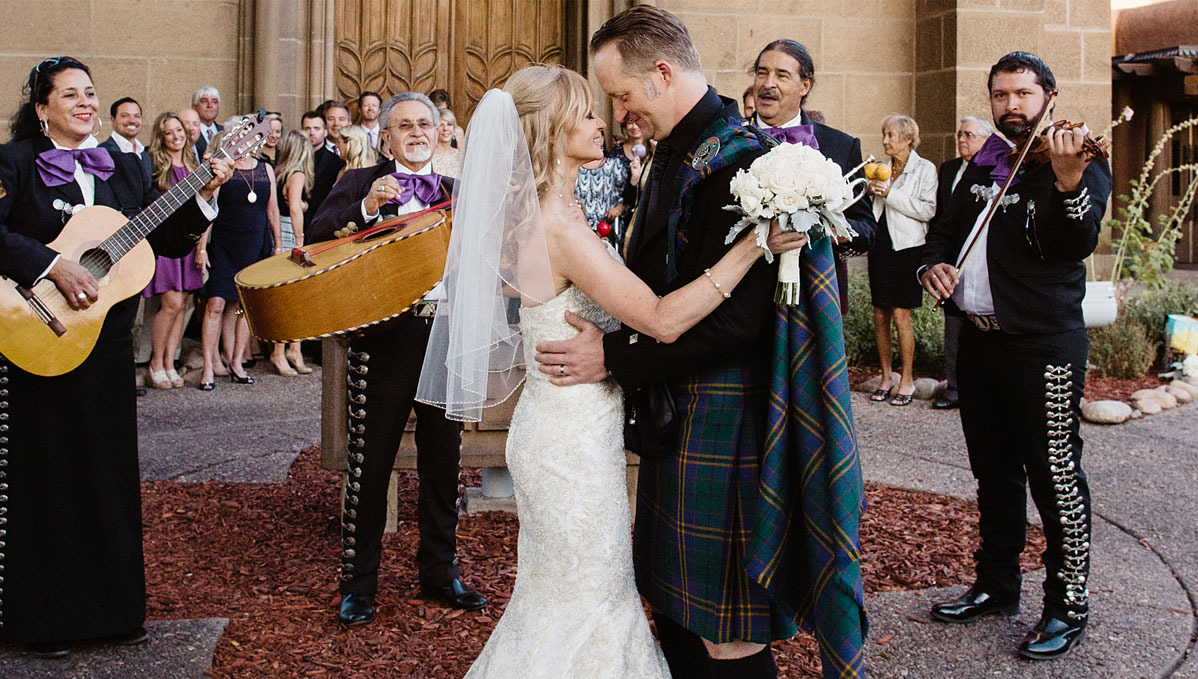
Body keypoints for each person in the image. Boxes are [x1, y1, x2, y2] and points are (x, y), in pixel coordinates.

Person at [416, 63, 803, 679]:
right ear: (552, 128)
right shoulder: (560, 226)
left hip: (556, 425)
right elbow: (661, 319)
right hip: (571, 439)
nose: (607, 121)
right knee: (587, 603)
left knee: (560, 598)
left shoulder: (535, 213)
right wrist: (754, 244)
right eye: (590, 112)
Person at [535, 10, 867, 678]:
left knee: (727, 634)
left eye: (623, 95)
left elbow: (742, 322)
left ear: (661, 74)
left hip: (727, 422)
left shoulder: (739, 163)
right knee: (679, 615)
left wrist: (615, 357)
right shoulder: (674, 152)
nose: (620, 112)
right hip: (679, 419)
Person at [0, 56, 230, 657]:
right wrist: (52, 263)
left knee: (106, 475)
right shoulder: (15, 162)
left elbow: (160, 240)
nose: (84, 102)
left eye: (91, 92)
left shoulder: (118, 170)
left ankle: (110, 610)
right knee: (46, 480)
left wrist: (202, 196)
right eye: (69, 94)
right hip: (35, 337)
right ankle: (41, 621)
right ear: (42, 105)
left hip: (101, 345)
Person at [919, 51, 1110, 660]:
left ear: (1048, 96)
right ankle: (997, 585)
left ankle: (1068, 604)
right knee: (994, 475)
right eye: (1001, 95)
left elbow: (1070, 241)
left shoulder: (1078, 160)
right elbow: (944, 232)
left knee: (1055, 476)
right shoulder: (981, 164)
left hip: (1043, 347)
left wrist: (1067, 181)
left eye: (1023, 94)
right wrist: (932, 266)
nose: (1011, 105)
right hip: (979, 342)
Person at [307, 91, 486, 627]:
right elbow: (315, 238)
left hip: (446, 338)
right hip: (383, 343)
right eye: (403, 125)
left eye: (424, 124)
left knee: (443, 464)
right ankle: (358, 585)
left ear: (440, 132)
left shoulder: (459, 190)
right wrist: (365, 210)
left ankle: (440, 571)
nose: (415, 132)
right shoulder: (357, 184)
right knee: (370, 464)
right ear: (384, 137)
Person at [750, 38, 877, 313]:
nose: (768, 83)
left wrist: (834, 232)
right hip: (741, 300)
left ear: (804, 85)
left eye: (782, 75)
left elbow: (867, 229)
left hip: (814, 297)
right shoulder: (730, 141)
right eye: (762, 72)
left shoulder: (842, 146)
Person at [196, 122, 281, 390]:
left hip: (255, 244)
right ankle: (208, 366)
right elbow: (207, 207)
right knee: (216, 304)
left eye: (250, 136)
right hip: (224, 244)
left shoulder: (265, 168)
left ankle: (236, 363)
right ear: (230, 138)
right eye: (240, 135)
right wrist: (201, 248)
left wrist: (278, 246)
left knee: (243, 308)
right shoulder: (221, 166)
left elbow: (273, 210)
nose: (245, 140)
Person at [866, 114, 936, 406]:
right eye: (884, 134)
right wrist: (872, 192)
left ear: (909, 139)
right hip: (881, 245)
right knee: (880, 315)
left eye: (891, 136)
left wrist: (890, 193)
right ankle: (885, 377)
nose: (885, 141)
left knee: (900, 315)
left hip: (907, 248)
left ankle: (906, 380)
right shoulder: (883, 168)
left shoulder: (925, 169)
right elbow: (877, 207)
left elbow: (927, 210)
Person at [933, 115, 992, 410]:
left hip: (978, 261)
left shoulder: (994, 171)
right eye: (960, 134)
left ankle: (980, 387)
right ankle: (954, 387)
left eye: (969, 135)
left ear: (985, 140)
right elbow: (942, 218)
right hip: (951, 259)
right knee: (953, 325)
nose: (962, 139)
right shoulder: (948, 169)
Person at [142, 111, 205, 390]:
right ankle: (155, 363)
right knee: (170, 305)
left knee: (182, 306)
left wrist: (203, 248)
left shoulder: (195, 164)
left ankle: (170, 362)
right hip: (166, 244)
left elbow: (205, 209)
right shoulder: (155, 165)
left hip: (190, 243)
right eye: (169, 132)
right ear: (162, 137)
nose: (177, 136)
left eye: (179, 130)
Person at [268, 130, 314, 376]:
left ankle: (293, 349)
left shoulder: (277, 173)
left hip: (278, 231)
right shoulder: (296, 174)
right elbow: (295, 209)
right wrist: (300, 241)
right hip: (290, 235)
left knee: (292, 296)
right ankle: (281, 351)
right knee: (293, 298)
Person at [573, 131, 630, 238]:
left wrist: (618, 208)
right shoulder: (574, 168)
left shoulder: (615, 165)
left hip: (609, 228)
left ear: (603, 139)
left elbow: (626, 197)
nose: (594, 141)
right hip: (580, 229)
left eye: (597, 137)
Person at [301, 110, 344, 240]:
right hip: (295, 224)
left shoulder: (337, 162)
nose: (311, 132)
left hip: (323, 225)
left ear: (325, 132)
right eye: (307, 128)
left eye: (316, 128)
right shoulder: (293, 159)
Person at [100, 96, 152, 180]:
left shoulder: (146, 156)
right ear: (112, 120)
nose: (132, 120)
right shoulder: (103, 153)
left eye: (137, 116)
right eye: (125, 116)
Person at [431, 108, 462, 178]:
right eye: (441, 125)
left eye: (449, 124)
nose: (445, 129)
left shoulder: (460, 157)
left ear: (454, 129)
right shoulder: (429, 156)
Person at [191, 85, 222, 156]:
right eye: (204, 101)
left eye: (214, 102)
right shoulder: (189, 132)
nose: (210, 105)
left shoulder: (225, 131)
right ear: (194, 107)